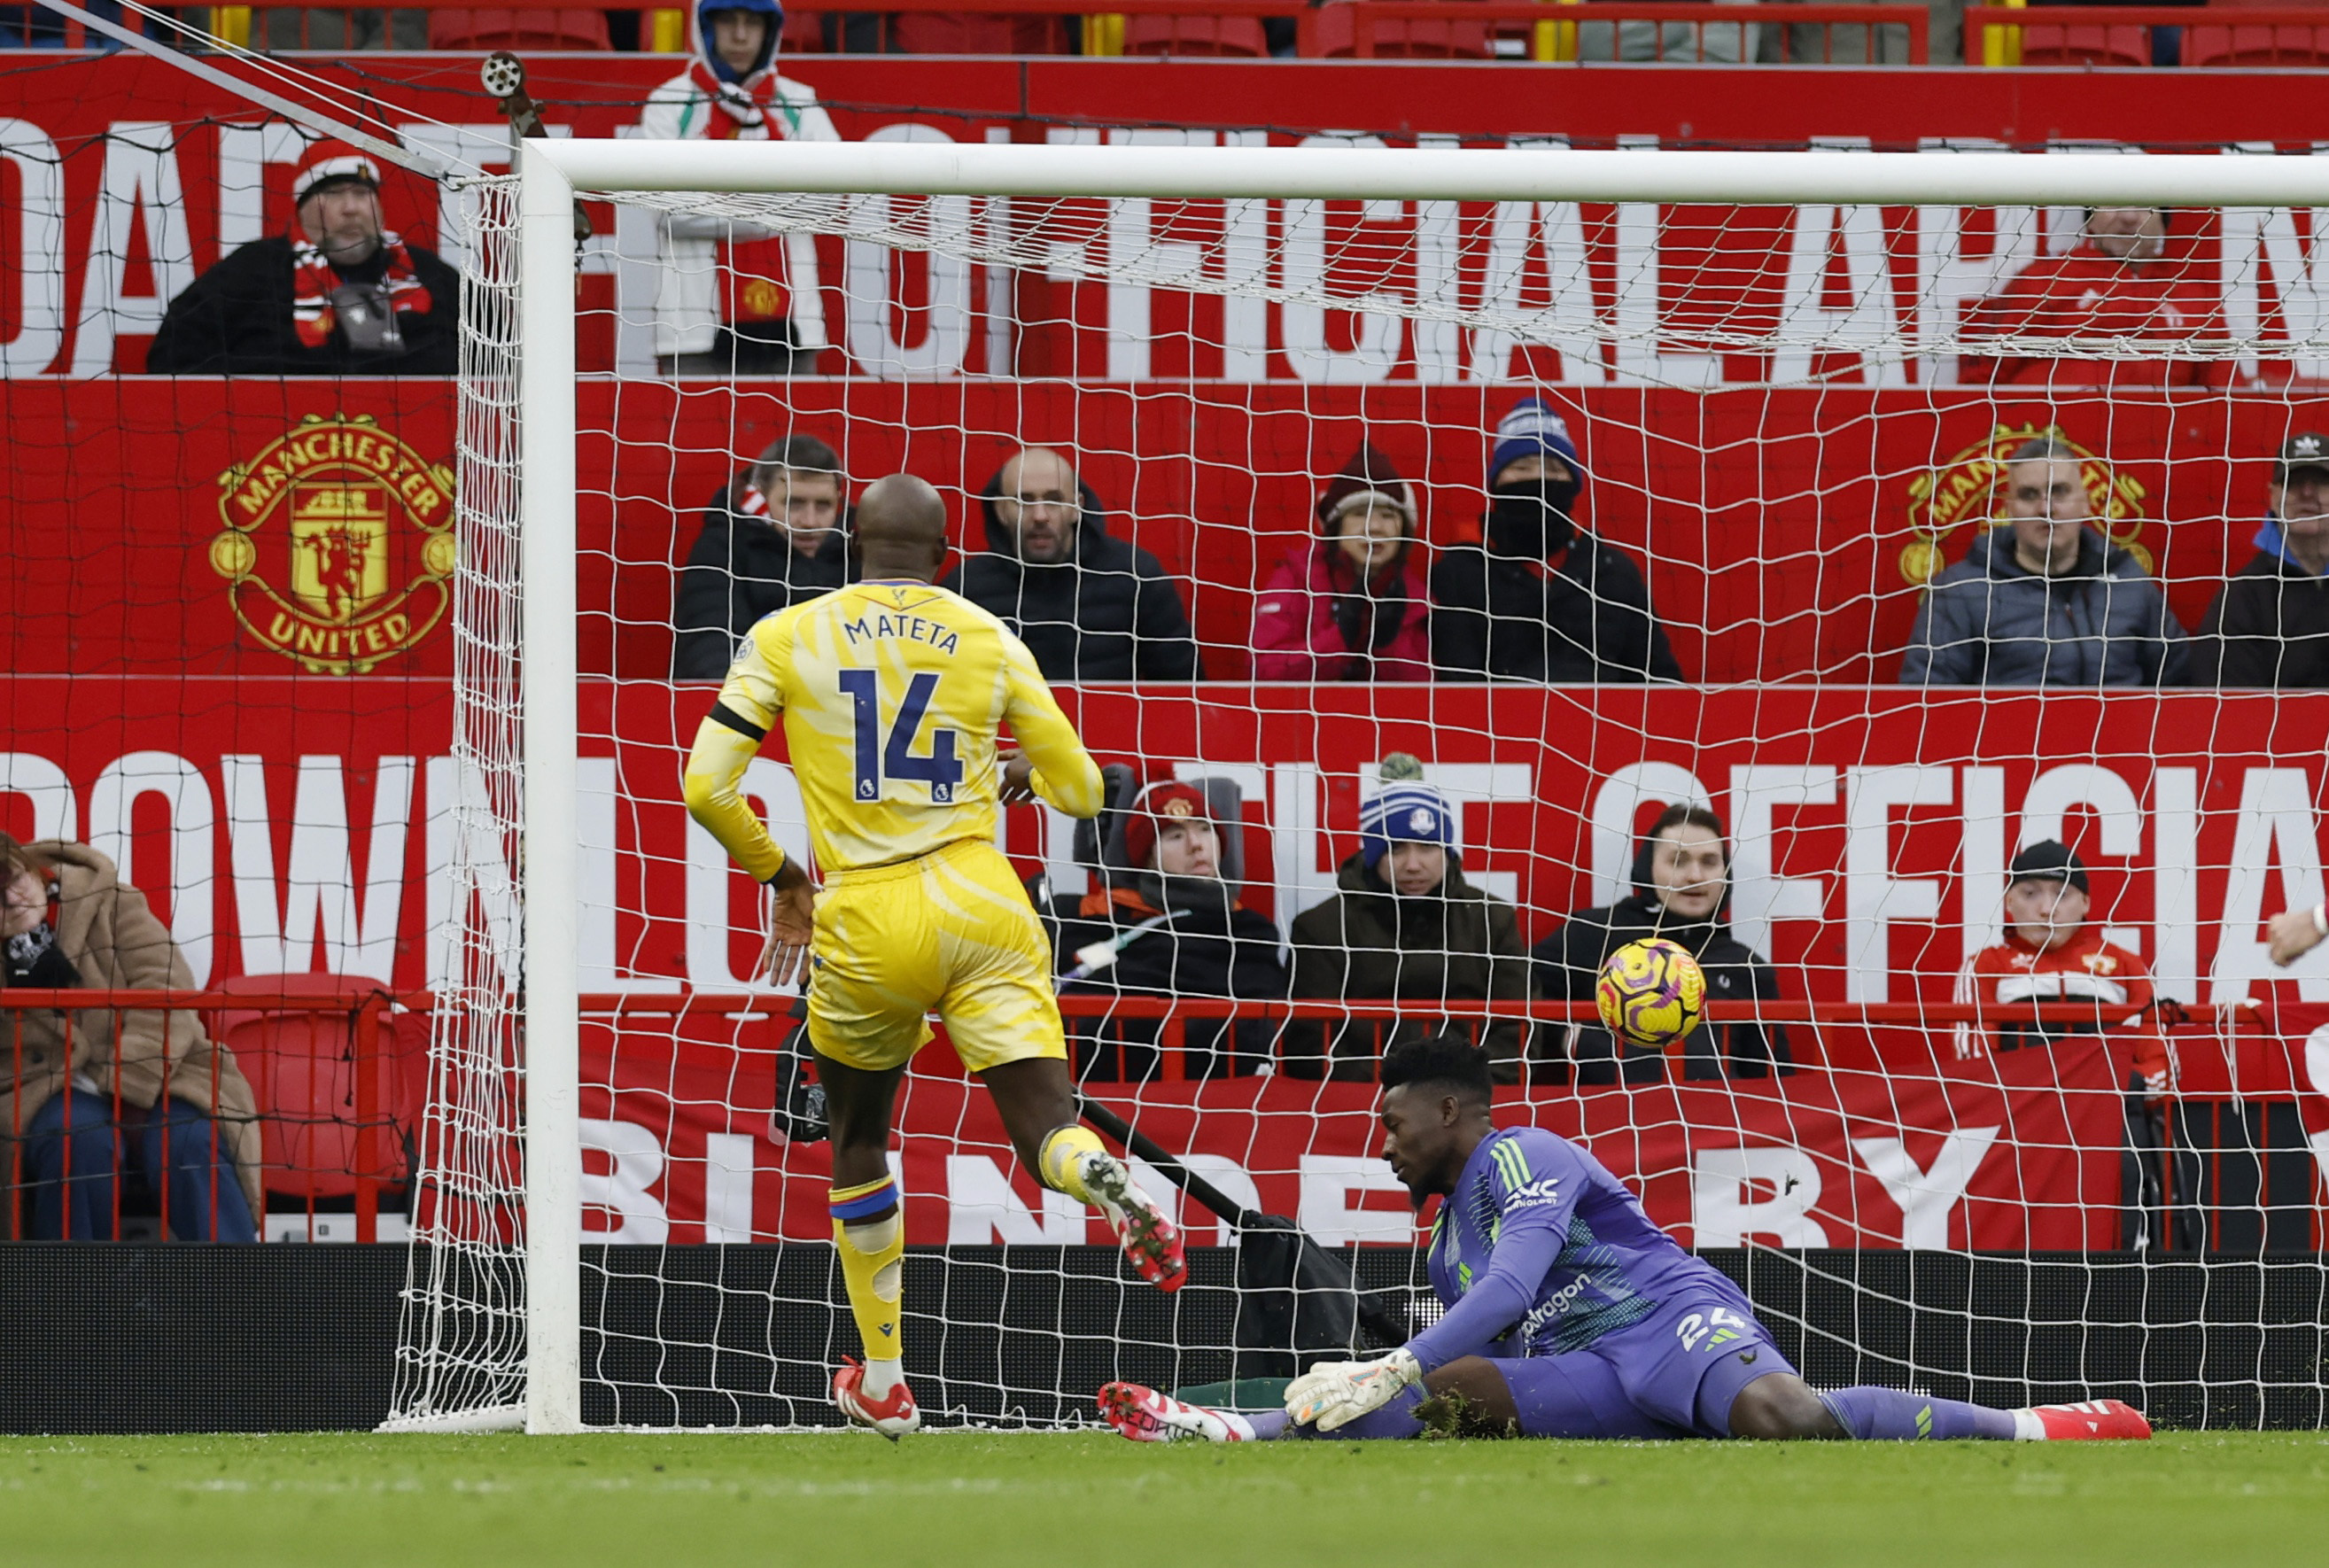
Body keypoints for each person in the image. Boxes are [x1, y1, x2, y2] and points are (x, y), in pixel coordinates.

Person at [681, 473, 1185, 1438]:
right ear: (950, 549)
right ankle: (1099, 1177)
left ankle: (884, 1377)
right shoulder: (990, 636)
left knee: (861, 1137)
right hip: (982, 896)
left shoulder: (788, 634)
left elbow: (705, 786)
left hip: (866, 911)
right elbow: (1085, 792)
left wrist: (782, 874)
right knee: (1045, 1122)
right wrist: (1027, 771)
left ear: (854, 539)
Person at [1099, 1034, 2152, 1445]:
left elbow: (1514, 1284)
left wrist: (1394, 1359)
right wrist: (1421, 1380)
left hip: (1664, 1323)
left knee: (1785, 1421)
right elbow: (1492, 1341)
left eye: (1393, 1121)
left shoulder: (1522, 1154)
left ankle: (2027, 1426)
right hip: (1591, 1376)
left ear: (1455, 1113)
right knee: (1450, 1401)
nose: (1382, 1144)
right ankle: (1223, 1430)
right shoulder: (1437, 1254)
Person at [0, 834, 260, 1242]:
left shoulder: (111, 900)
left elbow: (166, 984)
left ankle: (237, 1292)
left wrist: (132, 1079)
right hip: (46, 1088)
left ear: (30, 866)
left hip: (162, 1072)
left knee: (189, 1142)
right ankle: (74, 1298)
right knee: (77, 1144)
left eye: (15, 879)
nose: (13, 899)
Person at [1286, 758, 1528, 1080]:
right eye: (1396, 849)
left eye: (1427, 846)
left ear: (1448, 852)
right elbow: (1310, 1043)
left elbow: (1519, 1031)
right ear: (1372, 856)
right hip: (1360, 1105)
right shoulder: (1322, 928)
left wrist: (1468, 1092)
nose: (1413, 865)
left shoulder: (1492, 920)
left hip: (1473, 1107)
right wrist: (1395, 1095)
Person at [637, 0, 839, 375]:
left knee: (794, 436)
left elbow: (830, 202)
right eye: (728, 20)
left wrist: (721, 201)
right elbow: (672, 214)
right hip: (694, 329)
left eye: (753, 22)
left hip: (793, 330)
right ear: (705, 28)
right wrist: (779, 208)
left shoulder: (799, 101)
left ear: (771, 30)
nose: (741, 35)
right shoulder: (668, 103)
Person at [1040, 777, 1290, 1079]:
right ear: (1147, 856)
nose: (1196, 844)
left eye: (1205, 828)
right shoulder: (1085, 922)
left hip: (1227, 1104)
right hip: (1110, 1101)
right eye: (1174, 835)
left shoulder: (1250, 932)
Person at [144, 142, 459, 376]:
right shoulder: (249, 272)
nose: (351, 208)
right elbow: (172, 359)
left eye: (362, 194)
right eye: (333, 193)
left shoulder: (429, 276)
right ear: (301, 208)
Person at [1431, 396, 1686, 684]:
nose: (1538, 478)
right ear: (1496, 482)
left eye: (1553, 469)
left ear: (1573, 484)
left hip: (1604, 725)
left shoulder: (1614, 571)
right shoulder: (1459, 571)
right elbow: (1457, 684)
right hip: (1495, 726)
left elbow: (1662, 683)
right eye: (1523, 468)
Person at [1535, 803, 1790, 1084]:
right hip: (1606, 1118)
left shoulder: (1747, 966)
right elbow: (1517, 990)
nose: (1695, 875)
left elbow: (1773, 1080)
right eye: (1678, 860)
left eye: (1709, 862)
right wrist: (1577, 1040)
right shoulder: (1594, 932)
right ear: (1648, 868)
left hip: (1714, 1123)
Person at [1900, 437, 2186, 687]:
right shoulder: (1962, 591)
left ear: (2085, 502)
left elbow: (2181, 687)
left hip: (2122, 745)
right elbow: (1928, 700)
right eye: (2028, 495)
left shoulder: (2129, 583)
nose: (2046, 508)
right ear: (2009, 507)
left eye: (2059, 491)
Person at [943, 446, 1202, 682]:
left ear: (1077, 506)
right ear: (1000, 511)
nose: (1040, 516)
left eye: (1054, 499)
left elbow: (1183, 686)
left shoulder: (1135, 576)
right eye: (1024, 501)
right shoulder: (965, 590)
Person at [1953, 840, 2170, 1098]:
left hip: (2110, 1117)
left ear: (2086, 903)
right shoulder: (1984, 966)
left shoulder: (2126, 965)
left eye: (2062, 894)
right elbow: (1974, 1068)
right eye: (2030, 894)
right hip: (2020, 1118)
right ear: (2009, 901)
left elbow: (2162, 1066)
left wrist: (2123, 1087)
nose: (2047, 909)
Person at [1963, 207, 2229, 390]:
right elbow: (1984, 378)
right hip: (2055, 448)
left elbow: (2225, 393)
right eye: (2114, 203)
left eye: (2145, 206)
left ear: (2163, 220)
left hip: (2163, 453)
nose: (2128, 217)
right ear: (2090, 218)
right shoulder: (2044, 280)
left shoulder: (2197, 301)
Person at [672, 432, 852, 679]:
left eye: (823, 505)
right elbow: (710, 643)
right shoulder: (724, 546)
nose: (810, 521)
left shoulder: (861, 547)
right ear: (762, 498)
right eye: (793, 503)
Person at [1253, 445, 1432, 683]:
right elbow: (1264, 674)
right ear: (1336, 528)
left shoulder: (1414, 595)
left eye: (1388, 515)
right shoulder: (1295, 581)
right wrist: (1341, 637)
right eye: (1359, 514)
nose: (1375, 527)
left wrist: (1387, 644)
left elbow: (1424, 698)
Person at [2195, 433, 2329, 688]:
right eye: (2293, 481)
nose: (2307, 492)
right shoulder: (2242, 597)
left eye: (2322, 481)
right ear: (2272, 496)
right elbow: (2229, 706)